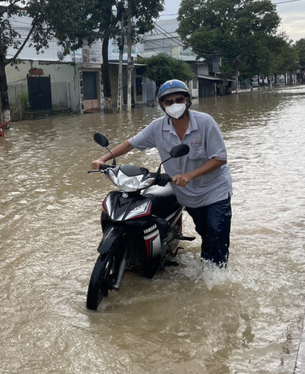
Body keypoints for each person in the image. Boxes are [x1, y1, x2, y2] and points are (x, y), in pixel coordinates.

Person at [91, 79, 233, 267]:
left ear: (187, 100)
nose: (174, 104)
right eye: (169, 101)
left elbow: (220, 158)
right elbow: (131, 143)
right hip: (187, 195)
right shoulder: (158, 127)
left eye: (179, 99)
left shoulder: (205, 122)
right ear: (161, 105)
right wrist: (103, 159)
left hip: (214, 191)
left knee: (216, 237)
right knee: (206, 233)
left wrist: (189, 176)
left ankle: (216, 282)